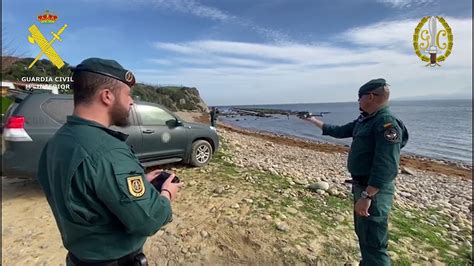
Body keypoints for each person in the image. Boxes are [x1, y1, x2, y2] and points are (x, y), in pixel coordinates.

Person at [37, 57, 183, 265]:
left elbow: (87, 191)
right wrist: (167, 193)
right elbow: (148, 220)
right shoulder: (109, 151)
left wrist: (139, 179)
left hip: (79, 258)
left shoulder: (58, 141)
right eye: (128, 95)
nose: (131, 102)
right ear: (107, 96)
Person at [303, 78, 408, 265]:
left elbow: (387, 165)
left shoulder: (386, 123)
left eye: (359, 97)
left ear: (370, 96)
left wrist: (368, 196)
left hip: (373, 191)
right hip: (362, 186)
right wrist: (312, 120)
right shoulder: (366, 119)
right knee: (364, 234)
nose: (358, 101)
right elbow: (340, 130)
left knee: (374, 240)